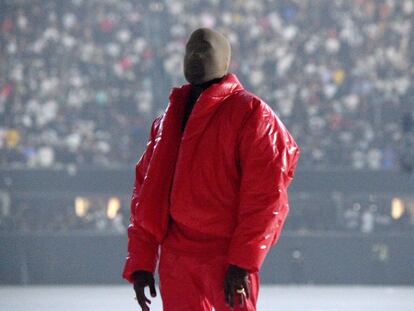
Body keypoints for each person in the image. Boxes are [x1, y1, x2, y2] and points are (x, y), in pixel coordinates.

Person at [122, 27, 300, 311]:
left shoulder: (252, 114)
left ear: (225, 60)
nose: (194, 56)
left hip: (225, 252)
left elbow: (267, 196)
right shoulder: (167, 121)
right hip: (176, 253)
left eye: (204, 50)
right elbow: (146, 194)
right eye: (190, 49)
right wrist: (142, 261)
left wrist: (242, 261)